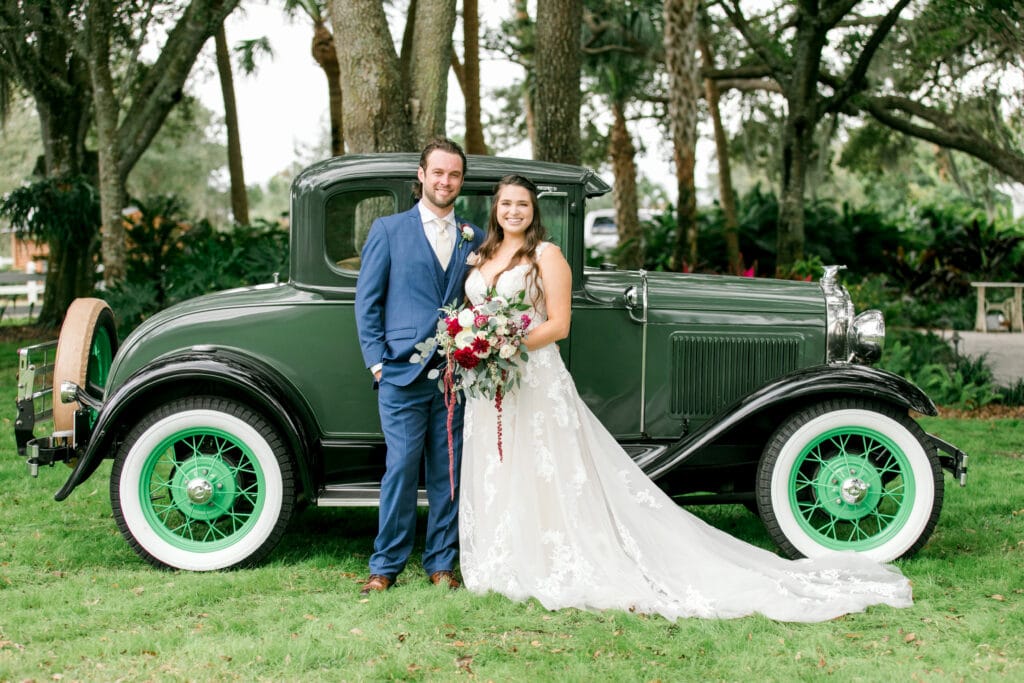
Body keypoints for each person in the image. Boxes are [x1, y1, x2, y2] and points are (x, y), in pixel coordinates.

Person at [458, 175, 913, 622]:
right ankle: (506, 553)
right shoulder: (482, 254)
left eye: (522, 203)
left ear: (533, 209)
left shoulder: (547, 254)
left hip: (531, 374)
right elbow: (475, 312)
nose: (513, 210)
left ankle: (543, 555)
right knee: (501, 464)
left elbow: (559, 324)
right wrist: (475, 342)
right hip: (491, 380)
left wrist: (506, 345)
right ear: (494, 209)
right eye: (506, 204)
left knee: (544, 467)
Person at [355, 138, 485, 595]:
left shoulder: (476, 236)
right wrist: (376, 364)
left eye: (454, 175)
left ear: (461, 181)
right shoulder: (389, 230)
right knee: (401, 468)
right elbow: (367, 303)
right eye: (438, 173)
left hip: (456, 374)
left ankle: (441, 563)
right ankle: (385, 564)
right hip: (400, 373)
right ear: (422, 175)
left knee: (448, 472)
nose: (445, 181)